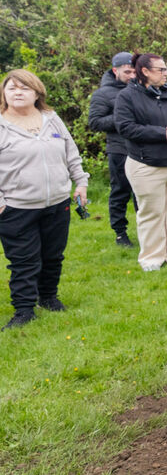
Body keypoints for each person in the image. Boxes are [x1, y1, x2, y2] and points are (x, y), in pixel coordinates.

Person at [0, 69, 89, 330]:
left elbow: (70, 152)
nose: (18, 92)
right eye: (12, 88)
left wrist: (80, 181)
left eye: (24, 88)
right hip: (16, 206)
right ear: (4, 93)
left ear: (37, 92)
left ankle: (49, 297)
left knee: (53, 255)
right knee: (24, 260)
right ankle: (24, 309)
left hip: (57, 202)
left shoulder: (51, 119)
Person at [115, 53, 167, 271]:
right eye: (161, 70)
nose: (166, 74)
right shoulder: (127, 97)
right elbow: (126, 127)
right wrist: (163, 134)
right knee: (152, 213)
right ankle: (152, 258)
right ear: (145, 72)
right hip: (146, 165)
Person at [87, 51, 137, 247]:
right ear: (115, 70)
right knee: (121, 192)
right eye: (127, 72)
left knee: (144, 193)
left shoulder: (141, 89)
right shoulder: (102, 94)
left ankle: (147, 230)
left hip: (143, 149)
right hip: (119, 150)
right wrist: (123, 118)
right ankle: (120, 233)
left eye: (134, 71)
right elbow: (95, 122)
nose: (132, 76)